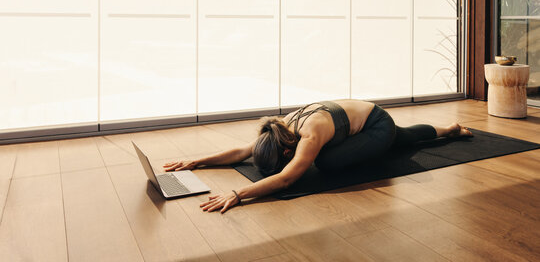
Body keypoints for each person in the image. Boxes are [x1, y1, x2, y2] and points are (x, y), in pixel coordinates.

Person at [163, 99, 472, 213]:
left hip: (377, 125)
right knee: (405, 137)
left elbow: (286, 179)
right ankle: (449, 128)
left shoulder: (310, 135)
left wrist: (238, 193)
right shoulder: (279, 131)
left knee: (325, 162)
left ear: (288, 150)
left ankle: (446, 130)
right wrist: (196, 161)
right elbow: (243, 151)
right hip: (364, 122)